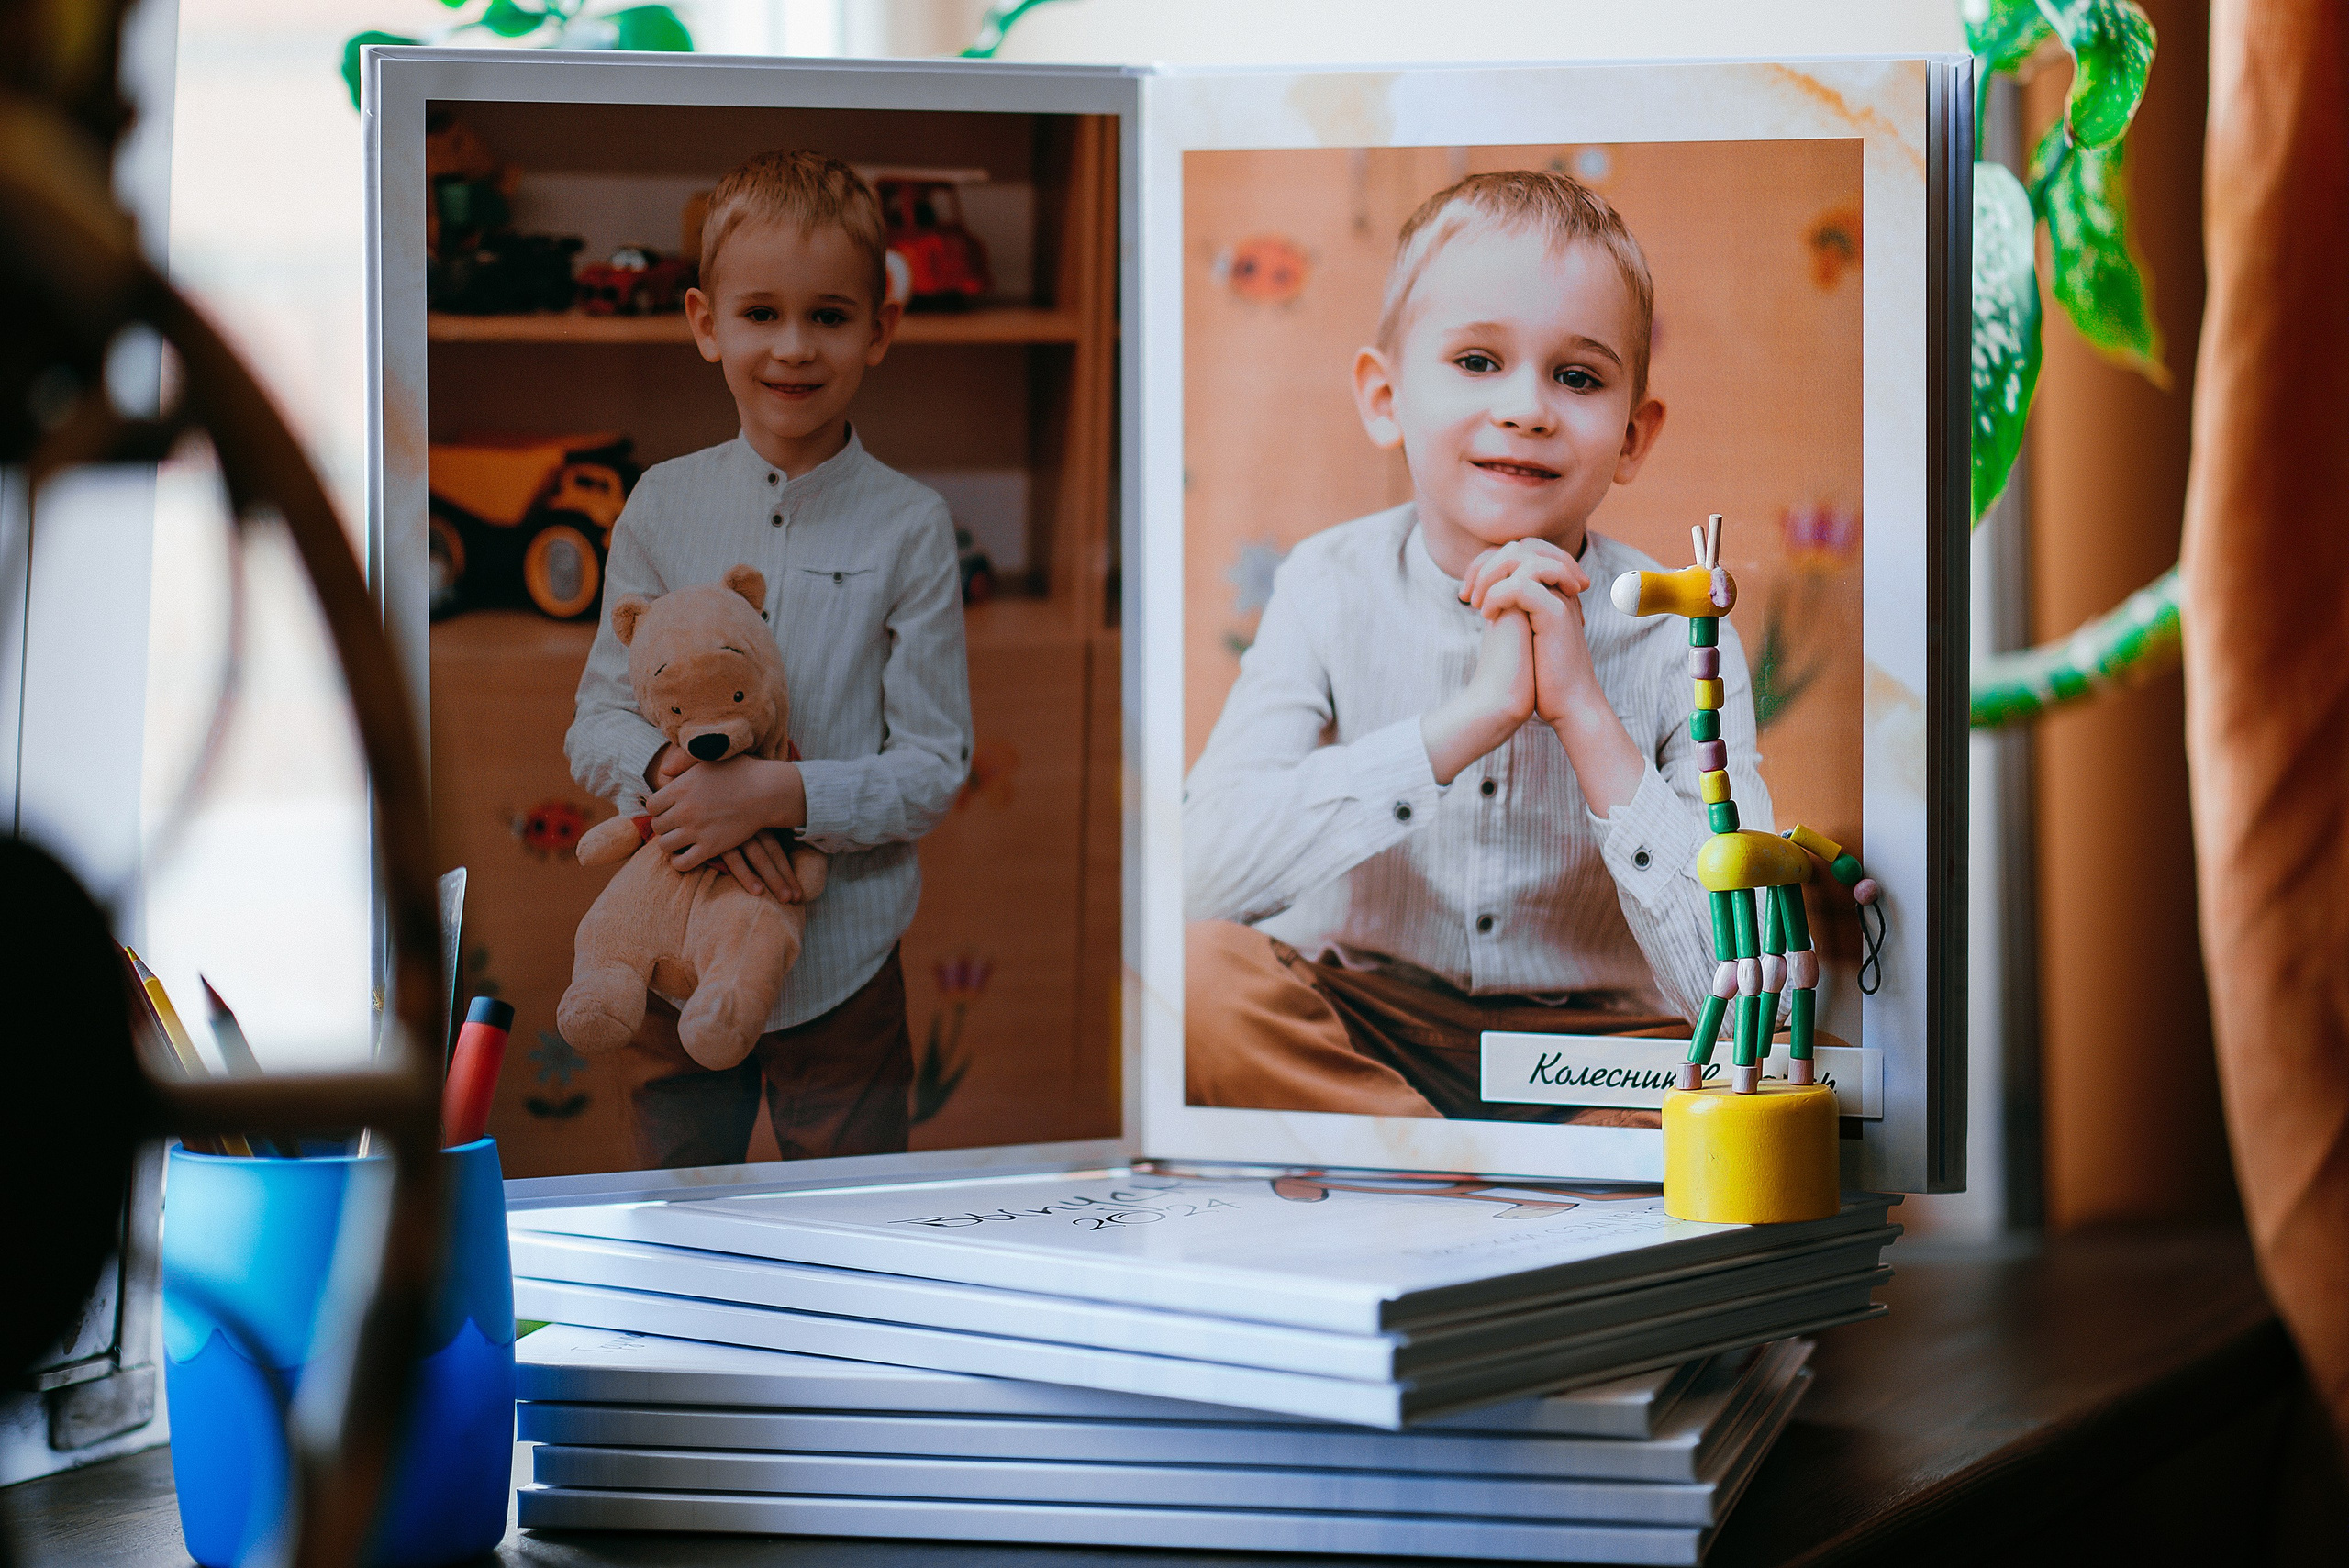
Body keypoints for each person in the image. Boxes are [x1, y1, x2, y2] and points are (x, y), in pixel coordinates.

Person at [1183, 169, 1771, 1124]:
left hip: (1596, 1053)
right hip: (1366, 1023)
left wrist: (1583, 713)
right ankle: (1449, 1172)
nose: (1527, 407)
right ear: (1384, 397)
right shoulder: (1326, 585)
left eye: (1577, 376)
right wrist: (1465, 721)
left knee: (1769, 1062)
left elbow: (1740, 976)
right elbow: (1198, 875)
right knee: (1195, 982)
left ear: (1632, 434)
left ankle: (1472, 1196)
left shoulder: (1681, 631)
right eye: (1476, 361)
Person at [566, 150, 971, 1168]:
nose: (793, 348)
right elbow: (599, 720)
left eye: (830, 316)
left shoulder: (912, 527)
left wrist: (775, 795)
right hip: (675, 953)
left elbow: (932, 764)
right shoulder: (660, 504)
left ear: (879, 327)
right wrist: (673, 780)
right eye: (760, 314)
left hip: (844, 972)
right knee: (679, 1215)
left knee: (854, 1236)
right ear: (706, 322)